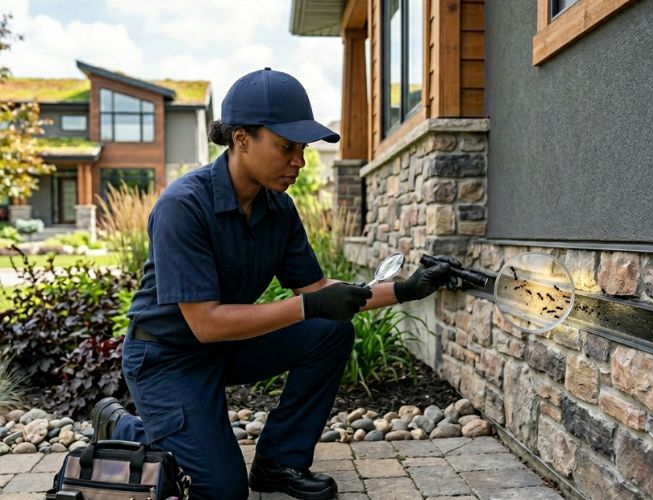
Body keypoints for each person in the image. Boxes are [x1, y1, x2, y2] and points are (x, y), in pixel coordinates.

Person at [91, 68, 458, 500]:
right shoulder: (183, 206)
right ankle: (126, 425)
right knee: (220, 492)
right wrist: (311, 306)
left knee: (330, 331)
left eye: (302, 149)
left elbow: (319, 289)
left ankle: (278, 463)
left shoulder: (278, 210)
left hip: (227, 347)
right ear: (241, 138)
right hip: (168, 357)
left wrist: (408, 289)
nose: (299, 162)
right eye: (286, 147)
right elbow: (205, 323)